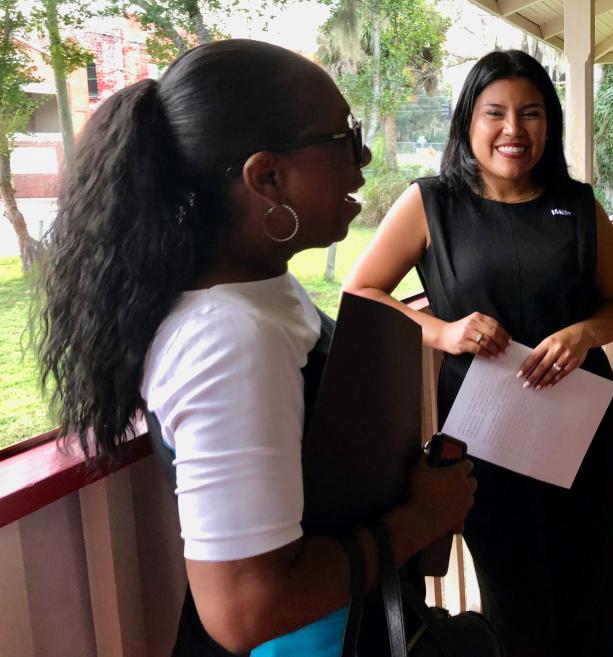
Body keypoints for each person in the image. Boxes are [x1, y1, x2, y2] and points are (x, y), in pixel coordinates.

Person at [34, 39, 476, 657]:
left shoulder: (262, 290)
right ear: (266, 176)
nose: (364, 161)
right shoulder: (228, 337)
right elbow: (245, 607)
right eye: (346, 139)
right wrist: (420, 519)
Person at [344, 49, 613, 657]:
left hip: (579, 424)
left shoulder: (577, 205)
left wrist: (582, 334)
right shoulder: (432, 204)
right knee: (513, 592)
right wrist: (443, 332)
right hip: (486, 432)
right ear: (468, 122)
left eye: (530, 113)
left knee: (586, 580)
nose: (513, 130)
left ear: (549, 124)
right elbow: (363, 292)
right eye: (495, 113)